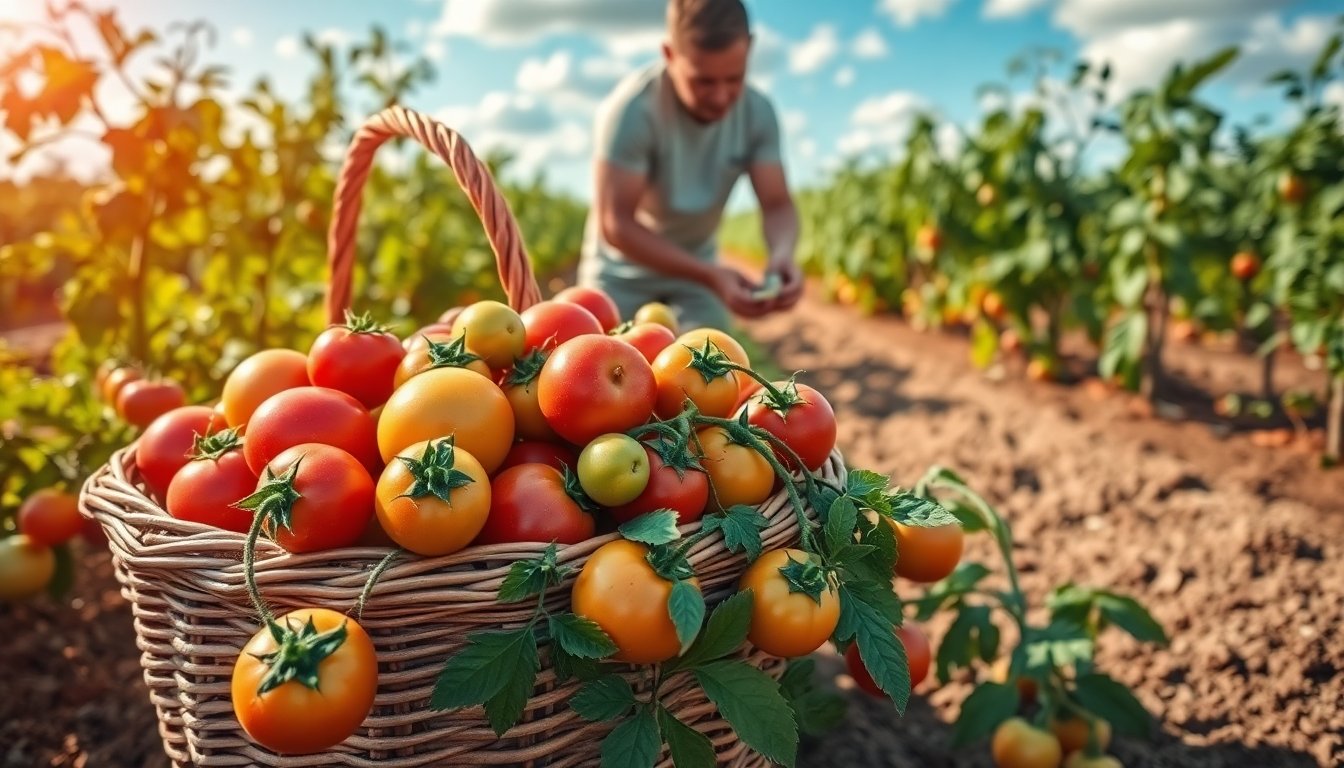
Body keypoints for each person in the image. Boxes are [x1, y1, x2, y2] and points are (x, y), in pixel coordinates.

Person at [575, 0, 803, 332]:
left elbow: (777, 204)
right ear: (669, 54)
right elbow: (617, 224)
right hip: (619, 274)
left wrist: (782, 254)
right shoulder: (632, 111)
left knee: (714, 360)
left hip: (698, 275)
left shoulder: (759, 114)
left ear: (750, 49)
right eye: (703, 82)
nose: (721, 97)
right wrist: (709, 274)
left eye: (734, 79)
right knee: (598, 356)